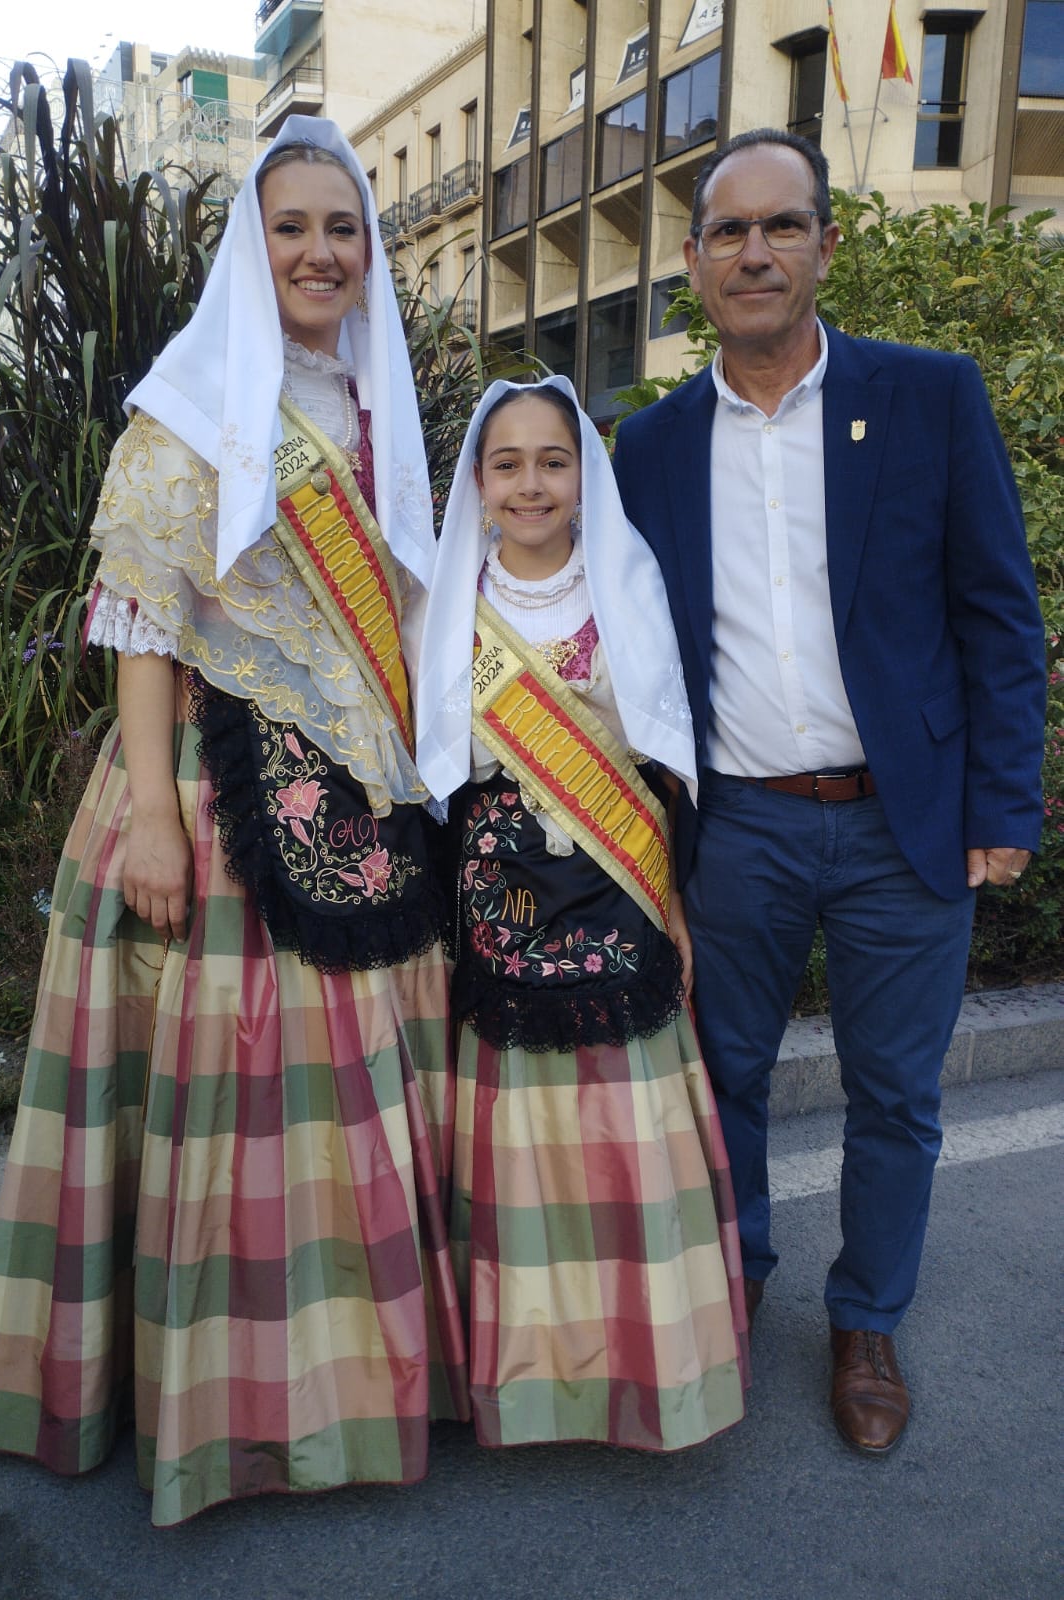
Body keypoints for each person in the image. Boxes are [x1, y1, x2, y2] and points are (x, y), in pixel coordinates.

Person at [0, 116, 469, 1526]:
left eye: (343, 228)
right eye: (292, 226)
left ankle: (346, 1386)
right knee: (230, 1105)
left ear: (370, 252)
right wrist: (155, 829)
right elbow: (139, 622)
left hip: (351, 791)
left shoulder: (374, 406)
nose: (319, 251)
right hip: (209, 788)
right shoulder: (190, 401)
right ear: (255, 246)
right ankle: (217, 1407)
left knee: (340, 1110)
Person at [613, 129, 1045, 1455]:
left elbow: (998, 616)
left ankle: (868, 1322)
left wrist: (1001, 808)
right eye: (728, 231)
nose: (755, 252)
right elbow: (628, 648)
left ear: (824, 243)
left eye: (781, 226)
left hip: (900, 822)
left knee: (898, 1093)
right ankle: (735, 1285)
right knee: (723, 1073)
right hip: (734, 823)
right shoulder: (651, 444)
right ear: (692, 262)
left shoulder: (928, 396)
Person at [416, 375, 749, 1454]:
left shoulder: (626, 580)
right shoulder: (445, 601)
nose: (530, 483)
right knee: (518, 1145)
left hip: (619, 891)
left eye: (551, 461)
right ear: (477, 479)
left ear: (582, 472)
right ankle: (526, 1377)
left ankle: (644, 1363)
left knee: (624, 1142)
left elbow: (664, 756)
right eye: (506, 464)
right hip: (500, 910)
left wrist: (676, 902)